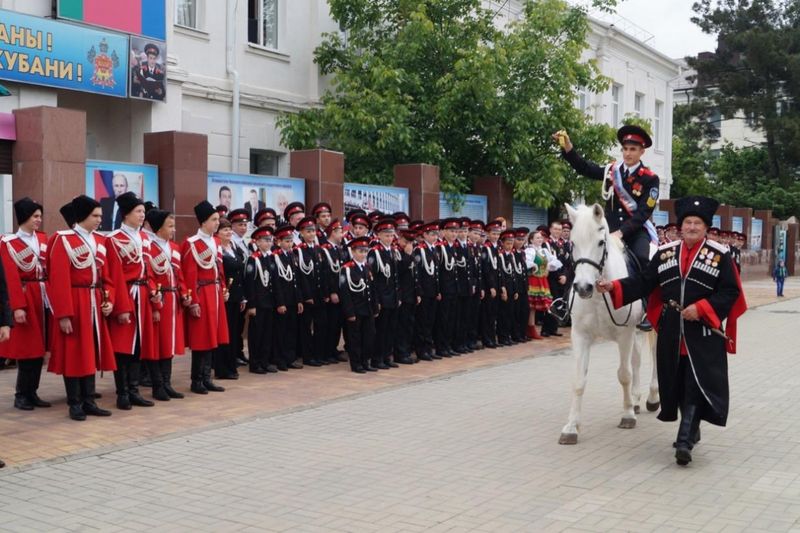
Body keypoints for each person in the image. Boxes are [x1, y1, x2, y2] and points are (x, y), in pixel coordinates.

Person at [597, 195, 747, 466]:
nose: (691, 227)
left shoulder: (719, 255)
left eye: (697, 223)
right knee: (675, 383)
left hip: (702, 334)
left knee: (694, 384)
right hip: (670, 331)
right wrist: (615, 287)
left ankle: (684, 440)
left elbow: (730, 292)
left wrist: (701, 308)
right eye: (687, 222)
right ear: (680, 226)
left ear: (706, 227)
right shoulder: (666, 253)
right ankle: (692, 427)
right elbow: (645, 282)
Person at [555, 126, 659, 330]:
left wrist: (622, 232)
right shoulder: (612, 171)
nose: (628, 153)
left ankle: (647, 309)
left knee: (644, 260)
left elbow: (643, 213)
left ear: (641, 152)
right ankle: (565, 303)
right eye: (625, 149)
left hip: (635, 232)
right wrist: (568, 149)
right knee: (580, 254)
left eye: (633, 149)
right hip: (608, 231)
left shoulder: (650, 178)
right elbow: (585, 167)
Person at [47, 196, 118, 421]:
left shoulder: (100, 241)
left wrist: (109, 299)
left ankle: (89, 400)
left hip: (94, 300)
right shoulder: (63, 239)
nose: (100, 219)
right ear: (83, 216)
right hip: (75, 301)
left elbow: (107, 276)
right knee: (74, 352)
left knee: (91, 352)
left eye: (100, 215)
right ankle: (74, 402)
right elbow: (58, 280)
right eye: (95, 216)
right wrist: (64, 314)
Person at [106, 192, 160, 409]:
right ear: (126, 214)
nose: (142, 215)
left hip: (144, 295)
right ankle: (122, 393)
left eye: (143, 212)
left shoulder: (145, 238)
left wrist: (154, 292)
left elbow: (149, 270)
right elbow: (113, 275)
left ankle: (135, 390)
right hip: (126, 295)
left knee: (138, 346)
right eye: (138, 211)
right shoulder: (113, 239)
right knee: (123, 346)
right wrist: (121, 306)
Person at [0, 198, 51, 411]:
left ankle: (33, 392)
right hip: (26, 296)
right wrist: (17, 306)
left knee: (40, 348)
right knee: (27, 348)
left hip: (43, 296)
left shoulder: (43, 239)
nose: (38, 220)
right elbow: (10, 277)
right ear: (24, 218)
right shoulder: (8, 243)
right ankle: (22, 393)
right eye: (34, 216)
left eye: (40, 216)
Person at [182, 201, 229, 394]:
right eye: (214, 220)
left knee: (213, 337)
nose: (217, 223)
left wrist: (224, 287)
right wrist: (193, 301)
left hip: (215, 292)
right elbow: (189, 274)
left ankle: (206, 377)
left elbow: (220, 269)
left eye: (218, 219)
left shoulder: (216, 242)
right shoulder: (192, 243)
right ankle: (196, 379)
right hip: (202, 293)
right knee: (202, 338)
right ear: (203, 222)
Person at [146, 209, 188, 399]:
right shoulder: (149, 247)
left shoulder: (174, 248)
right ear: (158, 228)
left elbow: (179, 275)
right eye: (169, 226)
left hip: (173, 301)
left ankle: (167, 382)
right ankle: (157, 385)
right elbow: (149, 276)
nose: (173, 229)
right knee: (158, 344)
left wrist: (184, 293)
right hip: (160, 300)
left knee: (170, 343)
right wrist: (155, 302)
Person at [339, 236, 379, 373]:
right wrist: (349, 312)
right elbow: (345, 293)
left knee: (369, 336)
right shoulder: (347, 269)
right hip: (356, 309)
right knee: (355, 338)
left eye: (365, 251)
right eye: (360, 251)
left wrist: (375, 306)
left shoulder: (367, 267)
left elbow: (372, 289)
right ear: (353, 252)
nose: (363, 254)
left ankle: (365, 361)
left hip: (367, 309)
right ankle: (356, 364)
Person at [214, 217, 246, 380]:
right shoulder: (217, 249)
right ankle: (222, 367)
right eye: (224, 229)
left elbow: (240, 273)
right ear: (217, 232)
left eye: (228, 229)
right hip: (224, 296)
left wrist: (242, 298)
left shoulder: (233, 247)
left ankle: (231, 364)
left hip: (236, 296)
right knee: (224, 334)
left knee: (233, 333)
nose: (228, 232)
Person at [294, 216, 328, 367]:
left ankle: (319, 353)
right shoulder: (299, 251)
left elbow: (324, 272)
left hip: (320, 294)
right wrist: (305, 296)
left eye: (313, 231)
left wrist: (326, 293)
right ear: (301, 233)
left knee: (321, 325)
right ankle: (308, 356)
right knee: (306, 327)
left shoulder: (319, 249)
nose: (311, 234)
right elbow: (300, 276)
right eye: (308, 231)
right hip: (308, 296)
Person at [244, 226, 278, 374]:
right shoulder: (253, 259)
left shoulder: (270, 258)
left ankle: (264, 361)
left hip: (269, 303)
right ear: (257, 242)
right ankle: (255, 363)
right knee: (256, 334)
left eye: (270, 240)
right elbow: (250, 284)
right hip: (258, 303)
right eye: (265, 240)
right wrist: (251, 305)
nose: (268, 243)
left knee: (267, 333)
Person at [369, 217, 402, 368]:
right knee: (381, 330)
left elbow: (396, 277)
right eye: (386, 235)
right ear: (379, 235)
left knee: (391, 329)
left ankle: (387, 356)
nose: (389, 238)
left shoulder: (394, 251)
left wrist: (398, 296)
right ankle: (377, 358)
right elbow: (373, 280)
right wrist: (377, 301)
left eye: (391, 235)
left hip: (393, 297)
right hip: (382, 298)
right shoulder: (375, 253)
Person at [272, 224, 304, 371]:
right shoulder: (276, 257)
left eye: (291, 240)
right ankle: (280, 359)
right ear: (278, 242)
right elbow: (277, 282)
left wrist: (298, 300)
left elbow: (296, 280)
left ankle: (290, 358)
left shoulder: (292, 255)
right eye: (286, 241)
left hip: (292, 299)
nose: (289, 243)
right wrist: (280, 302)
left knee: (292, 330)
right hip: (283, 300)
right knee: (281, 332)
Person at [414, 222, 441, 361]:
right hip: (424, 292)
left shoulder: (434, 249)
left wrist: (438, 290)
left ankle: (428, 348)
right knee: (422, 322)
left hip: (433, 292)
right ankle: (421, 350)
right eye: (431, 234)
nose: (434, 237)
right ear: (424, 235)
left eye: (436, 234)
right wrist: (419, 291)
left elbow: (436, 273)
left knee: (430, 322)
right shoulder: (420, 250)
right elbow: (417, 273)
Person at [435, 218, 460, 357]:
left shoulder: (453, 247)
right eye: (451, 231)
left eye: (456, 231)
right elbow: (438, 271)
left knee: (451, 319)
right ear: (444, 232)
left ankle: (448, 345)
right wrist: (439, 289)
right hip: (444, 289)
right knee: (443, 319)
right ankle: (441, 347)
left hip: (454, 288)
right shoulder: (440, 247)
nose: (454, 234)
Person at [395, 229, 419, 363]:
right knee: (402, 326)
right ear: (399, 239)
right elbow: (399, 272)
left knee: (409, 324)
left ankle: (407, 351)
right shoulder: (398, 252)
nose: (407, 245)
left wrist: (418, 292)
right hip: (402, 294)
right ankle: (401, 353)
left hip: (411, 294)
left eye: (410, 242)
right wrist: (407, 255)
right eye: (405, 241)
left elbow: (415, 274)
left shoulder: (411, 252)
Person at [525, 230, 553, 339]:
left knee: (536, 307)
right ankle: (530, 328)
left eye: (541, 238)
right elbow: (527, 263)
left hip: (542, 280)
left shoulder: (544, 251)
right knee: (531, 306)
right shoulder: (530, 250)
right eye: (537, 238)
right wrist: (534, 266)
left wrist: (548, 267)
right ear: (531, 240)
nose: (540, 239)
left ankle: (532, 328)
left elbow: (553, 261)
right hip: (533, 280)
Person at [479, 220, 502, 349]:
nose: (496, 236)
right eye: (493, 233)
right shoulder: (486, 248)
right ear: (488, 234)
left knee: (494, 314)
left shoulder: (497, 247)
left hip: (497, 285)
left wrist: (501, 285)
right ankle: (487, 338)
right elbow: (486, 270)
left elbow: (499, 269)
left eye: (498, 234)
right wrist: (491, 286)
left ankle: (492, 337)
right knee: (487, 314)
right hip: (489, 286)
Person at [542, 221, 566, 337]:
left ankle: (554, 328)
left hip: (562, 278)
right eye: (555, 229)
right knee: (550, 303)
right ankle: (546, 329)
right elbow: (547, 261)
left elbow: (567, 262)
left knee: (559, 302)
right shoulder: (546, 244)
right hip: (551, 278)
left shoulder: (563, 244)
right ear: (550, 230)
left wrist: (565, 275)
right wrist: (558, 276)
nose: (558, 231)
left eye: (559, 229)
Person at [496, 230, 517, 346]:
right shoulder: (501, 255)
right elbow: (501, 273)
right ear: (502, 243)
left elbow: (513, 273)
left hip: (512, 288)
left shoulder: (512, 255)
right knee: (503, 314)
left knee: (510, 313)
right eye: (508, 243)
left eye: (511, 243)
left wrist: (515, 289)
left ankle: (508, 335)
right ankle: (502, 337)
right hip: (504, 288)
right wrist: (503, 288)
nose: (510, 245)